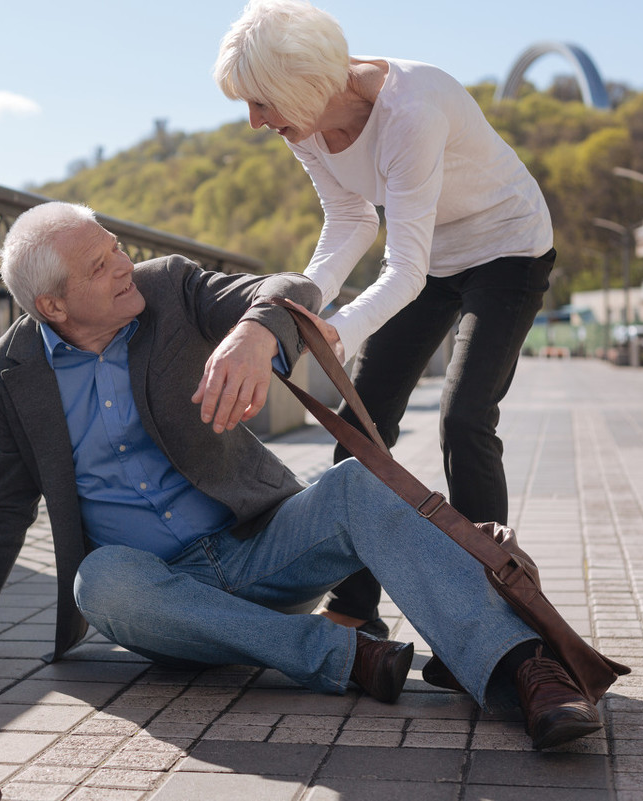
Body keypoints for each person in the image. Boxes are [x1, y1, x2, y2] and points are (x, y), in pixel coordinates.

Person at [0, 201, 601, 750]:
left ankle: (521, 669)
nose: (122, 265)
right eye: (99, 267)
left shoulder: (169, 287)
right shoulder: (8, 373)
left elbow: (290, 288)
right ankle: (346, 657)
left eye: (114, 247)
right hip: (160, 595)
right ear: (52, 305)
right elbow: (1, 501)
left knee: (353, 486)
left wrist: (254, 333)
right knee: (99, 580)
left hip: (263, 544)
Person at [214, 0, 557, 640]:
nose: (255, 122)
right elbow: (350, 222)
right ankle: (353, 606)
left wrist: (341, 329)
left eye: (261, 103)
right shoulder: (307, 124)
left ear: (303, 83)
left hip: (507, 248)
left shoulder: (412, 107)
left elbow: (405, 269)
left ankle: (499, 618)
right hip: (430, 257)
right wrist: (303, 304)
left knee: (464, 418)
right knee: (360, 426)